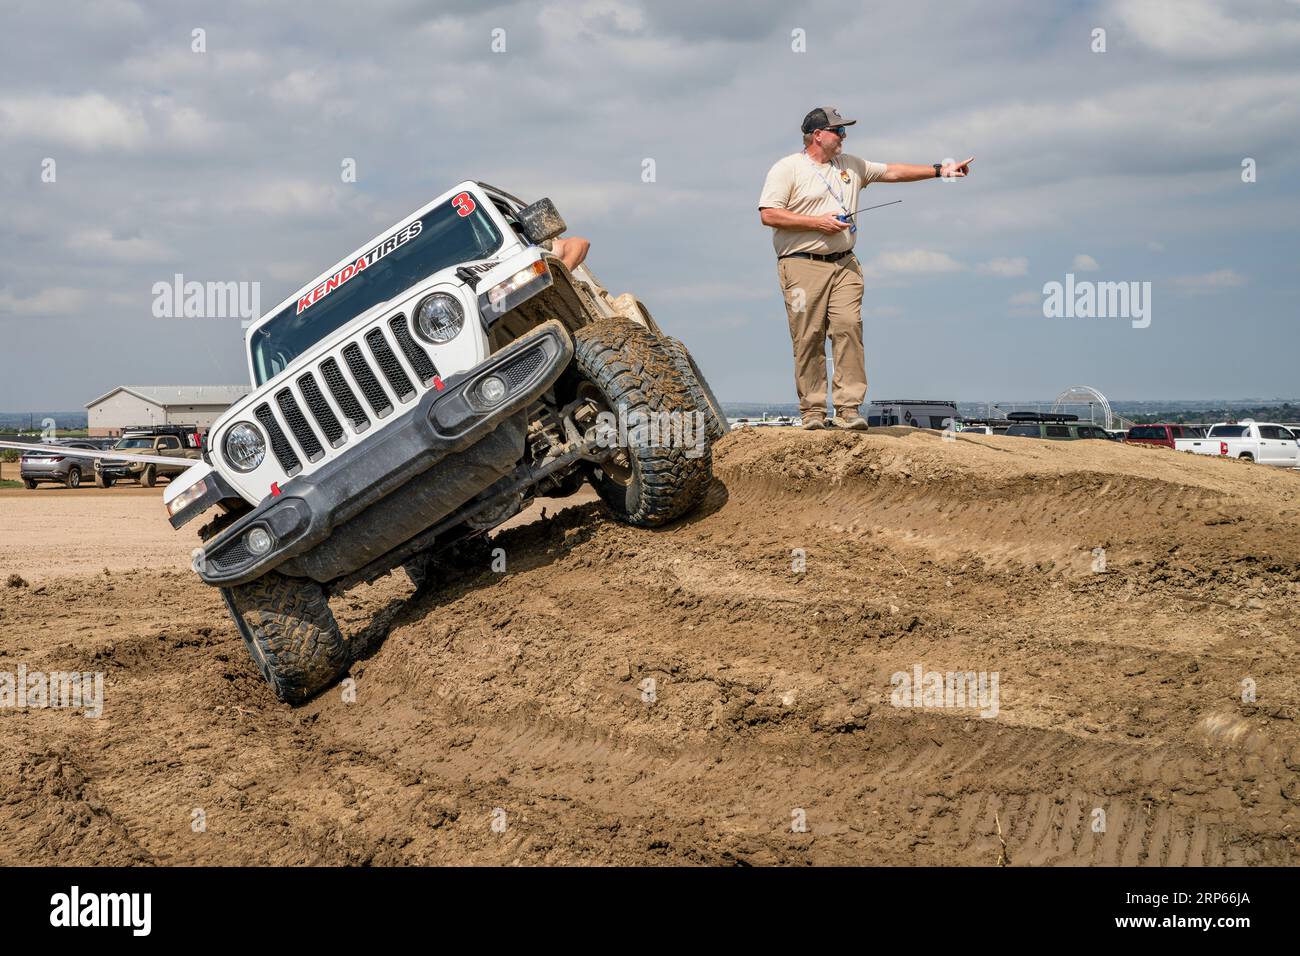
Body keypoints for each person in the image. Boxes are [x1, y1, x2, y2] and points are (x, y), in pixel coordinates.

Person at [758, 106, 973, 430]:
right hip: (802, 265)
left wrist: (940, 170)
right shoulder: (786, 169)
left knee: (848, 327)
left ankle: (848, 409)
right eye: (838, 131)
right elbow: (769, 214)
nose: (844, 136)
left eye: (845, 131)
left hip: (845, 263)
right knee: (808, 336)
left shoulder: (852, 165)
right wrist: (818, 223)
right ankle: (813, 412)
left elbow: (893, 172)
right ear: (818, 135)